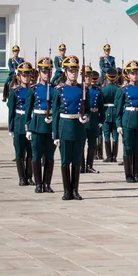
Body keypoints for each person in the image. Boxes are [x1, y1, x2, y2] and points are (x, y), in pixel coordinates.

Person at [52, 55, 90, 200]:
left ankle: (75, 190)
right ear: (65, 72)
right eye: (70, 70)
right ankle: (66, 190)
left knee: (76, 160)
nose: (73, 73)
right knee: (65, 160)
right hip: (65, 127)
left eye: (75, 70)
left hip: (78, 127)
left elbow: (86, 108)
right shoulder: (59, 90)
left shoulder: (83, 89)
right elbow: (55, 113)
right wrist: (55, 134)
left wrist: (86, 116)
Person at [25, 57, 56, 193]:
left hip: (50, 125)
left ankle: (47, 183)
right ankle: (38, 183)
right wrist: (28, 126)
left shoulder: (55, 89)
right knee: (36, 155)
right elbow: (28, 109)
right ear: (39, 72)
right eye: (44, 71)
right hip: (37, 124)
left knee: (50, 156)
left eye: (48, 71)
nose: (46, 74)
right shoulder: (34, 89)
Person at [116, 60, 138, 183]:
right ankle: (128, 175)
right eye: (132, 73)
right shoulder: (123, 90)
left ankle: (136, 174)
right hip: (128, 120)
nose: (135, 75)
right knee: (128, 147)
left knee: (137, 148)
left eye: (136, 73)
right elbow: (118, 109)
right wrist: (119, 124)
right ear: (128, 75)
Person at [7, 62, 34, 186]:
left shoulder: (34, 90)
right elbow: (11, 110)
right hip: (19, 121)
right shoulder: (15, 91)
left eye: (28, 75)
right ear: (19, 76)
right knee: (19, 151)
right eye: (24, 75)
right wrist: (11, 127)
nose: (26, 77)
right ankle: (21, 177)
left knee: (31, 151)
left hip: (31, 122)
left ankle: (29, 176)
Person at [82, 70, 104, 173]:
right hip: (82, 119)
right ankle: (81, 165)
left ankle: (89, 165)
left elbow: (101, 106)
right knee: (80, 144)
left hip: (93, 117)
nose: (88, 79)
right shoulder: (80, 89)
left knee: (92, 144)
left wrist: (101, 120)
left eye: (89, 77)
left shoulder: (97, 90)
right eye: (86, 77)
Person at [101, 68, 121, 163]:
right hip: (115, 113)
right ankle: (114, 157)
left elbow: (101, 103)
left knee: (106, 135)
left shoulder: (104, 89)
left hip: (106, 113)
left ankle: (109, 156)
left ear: (107, 77)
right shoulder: (118, 89)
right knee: (115, 135)